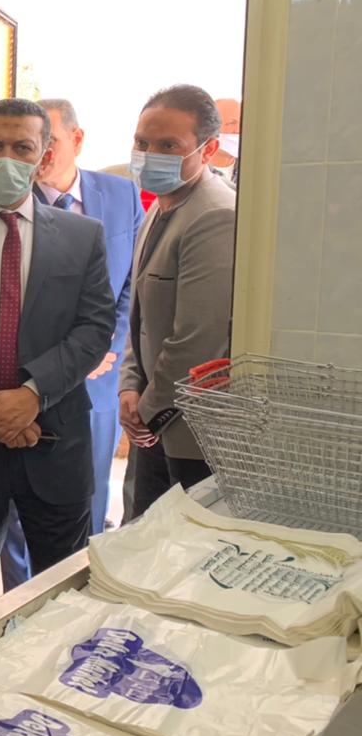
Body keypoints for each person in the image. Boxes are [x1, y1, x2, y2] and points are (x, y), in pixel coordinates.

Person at [0, 98, 114, 621]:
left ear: (44, 156)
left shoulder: (82, 237)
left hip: (54, 444)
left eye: (22, 147)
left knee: (66, 603)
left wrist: (31, 395)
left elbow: (94, 328)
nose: (7, 158)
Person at [0, 99, 143, 591]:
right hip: (22, 384)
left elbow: (132, 283)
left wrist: (106, 344)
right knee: (16, 520)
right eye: (29, 144)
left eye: (49, 142)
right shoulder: (10, 204)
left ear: (76, 140)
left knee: (88, 503)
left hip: (96, 385)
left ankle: (81, 602)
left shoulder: (121, 196)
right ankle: (18, 609)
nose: (38, 155)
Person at [120, 85, 236, 517]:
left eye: (168, 146)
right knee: (141, 534)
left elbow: (197, 339)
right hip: (154, 416)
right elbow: (140, 316)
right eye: (142, 142)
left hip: (190, 432)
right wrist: (128, 386)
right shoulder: (160, 207)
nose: (150, 155)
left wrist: (147, 410)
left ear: (209, 150)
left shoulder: (215, 214)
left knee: (181, 542)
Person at [211, 97, 241, 185]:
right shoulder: (189, 172)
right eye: (231, 123)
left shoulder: (254, 170)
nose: (239, 129)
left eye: (243, 122)